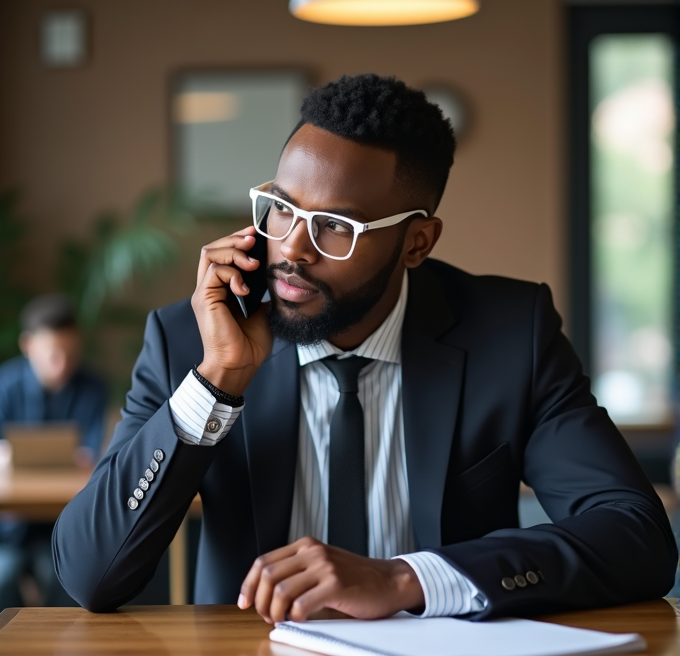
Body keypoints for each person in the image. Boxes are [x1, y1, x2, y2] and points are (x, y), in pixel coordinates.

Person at [53, 74, 676, 621]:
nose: (291, 248)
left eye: (334, 228)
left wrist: (404, 579)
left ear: (417, 243)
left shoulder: (510, 335)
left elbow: (637, 536)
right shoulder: (191, 340)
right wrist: (217, 383)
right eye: (281, 210)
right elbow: (89, 575)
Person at [0, 294, 107, 607]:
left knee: (69, 579)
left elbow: (90, 455)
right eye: (53, 355)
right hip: (10, 524)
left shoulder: (92, 387)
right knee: (4, 577)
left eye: (71, 355)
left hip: (65, 522)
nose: (62, 366)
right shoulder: (5, 385)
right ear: (28, 345)